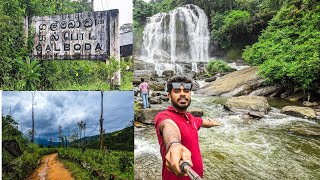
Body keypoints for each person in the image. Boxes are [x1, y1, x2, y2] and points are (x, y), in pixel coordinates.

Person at [154, 75, 221, 179]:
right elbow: (168, 127)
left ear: (190, 94)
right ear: (169, 95)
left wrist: (211, 123)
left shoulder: (191, 118)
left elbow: (201, 122)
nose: (182, 94)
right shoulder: (164, 116)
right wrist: (174, 145)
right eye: (177, 91)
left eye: (186, 91)